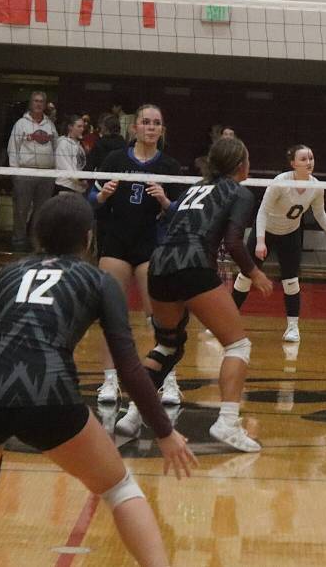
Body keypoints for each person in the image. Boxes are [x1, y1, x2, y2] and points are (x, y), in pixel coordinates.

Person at [0, 193, 196, 562]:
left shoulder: (6, 275)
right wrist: (164, 431)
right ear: (88, 237)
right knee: (120, 488)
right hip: (50, 396)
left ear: (36, 234)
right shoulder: (98, 280)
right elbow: (128, 366)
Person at [115, 137, 274, 453]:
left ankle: (133, 416)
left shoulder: (193, 189)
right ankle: (227, 422)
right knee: (238, 344)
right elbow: (233, 241)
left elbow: (170, 220)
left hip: (159, 265)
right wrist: (253, 272)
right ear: (241, 164)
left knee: (168, 344)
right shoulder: (240, 193)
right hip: (193, 265)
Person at [89, 104, 182, 406]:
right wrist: (102, 196)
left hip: (149, 246)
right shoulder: (114, 160)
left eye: (157, 123)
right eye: (146, 122)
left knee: (161, 319)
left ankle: (168, 381)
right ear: (134, 128)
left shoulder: (169, 166)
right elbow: (92, 202)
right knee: (111, 314)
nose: (151, 127)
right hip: (116, 243)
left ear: (162, 130)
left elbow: (179, 214)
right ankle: (109, 380)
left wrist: (165, 201)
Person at [231, 144, 326, 342]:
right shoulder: (280, 182)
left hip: (290, 233)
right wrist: (260, 241)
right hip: (266, 231)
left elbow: (320, 214)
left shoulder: (316, 186)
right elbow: (263, 211)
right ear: (293, 163)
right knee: (245, 276)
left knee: (291, 280)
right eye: (303, 159)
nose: (309, 162)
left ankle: (293, 328)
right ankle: (227, 321)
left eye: (311, 158)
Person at [6, 91, 57, 252]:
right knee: (21, 209)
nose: (38, 104)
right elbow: (12, 148)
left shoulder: (50, 125)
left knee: (41, 211)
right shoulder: (21, 124)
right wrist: (15, 172)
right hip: (25, 173)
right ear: (30, 103)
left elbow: (56, 148)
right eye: (35, 101)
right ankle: (19, 241)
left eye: (42, 101)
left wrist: (54, 170)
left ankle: (37, 242)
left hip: (46, 174)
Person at [54, 114, 88, 195]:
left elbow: (81, 166)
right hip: (65, 187)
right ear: (70, 127)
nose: (82, 129)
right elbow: (66, 168)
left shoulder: (79, 144)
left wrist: (83, 181)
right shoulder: (63, 144)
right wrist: (80, 182)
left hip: (78, 188)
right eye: (79, 126)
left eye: (83, 127)